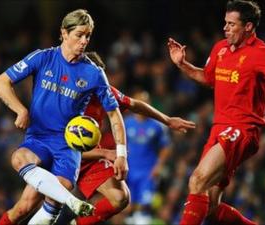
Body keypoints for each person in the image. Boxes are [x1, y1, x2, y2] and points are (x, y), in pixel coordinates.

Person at [167, 1, 265, 225]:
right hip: (219, 128)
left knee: (197, 180)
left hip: (243, 129)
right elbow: (208, 79)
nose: (225, 28)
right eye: (225, 23)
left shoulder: (261, 53)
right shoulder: (220, 48)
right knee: (211, 208)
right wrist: (183, 64)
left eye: (231, 24)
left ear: (248, 27)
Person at [0, 9, 128, 225]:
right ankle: (71, 202)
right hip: (38, 137)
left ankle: (66, 199)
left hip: (68, 145)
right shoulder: (43, 57)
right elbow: (0, 82)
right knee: (19, 162)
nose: (84, 41)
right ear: (64, 33)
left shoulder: (94, 73)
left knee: (53, 194)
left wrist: (121, 153)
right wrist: (21, 109)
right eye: (79, 35)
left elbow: (115, 114)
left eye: (88, 36)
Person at [53, 52, 196, 225]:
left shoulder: (103, 90)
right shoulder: (64, 98)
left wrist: (167, 120)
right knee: (32, 206)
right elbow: (61, 148)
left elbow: (135, 104)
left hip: (89, 158)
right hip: (63, 158)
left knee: (120, 198)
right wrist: (105, 153)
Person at [124, 89, 173, 224]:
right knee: (127, 205)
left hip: (148, 171)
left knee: (144, 204)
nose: (143, 104)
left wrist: (159, 166)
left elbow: (166, 147)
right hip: (130, 170)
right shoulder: (126, 123)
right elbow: (121, 144)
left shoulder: (157, 125)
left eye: (146, 101)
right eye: (140, 101)